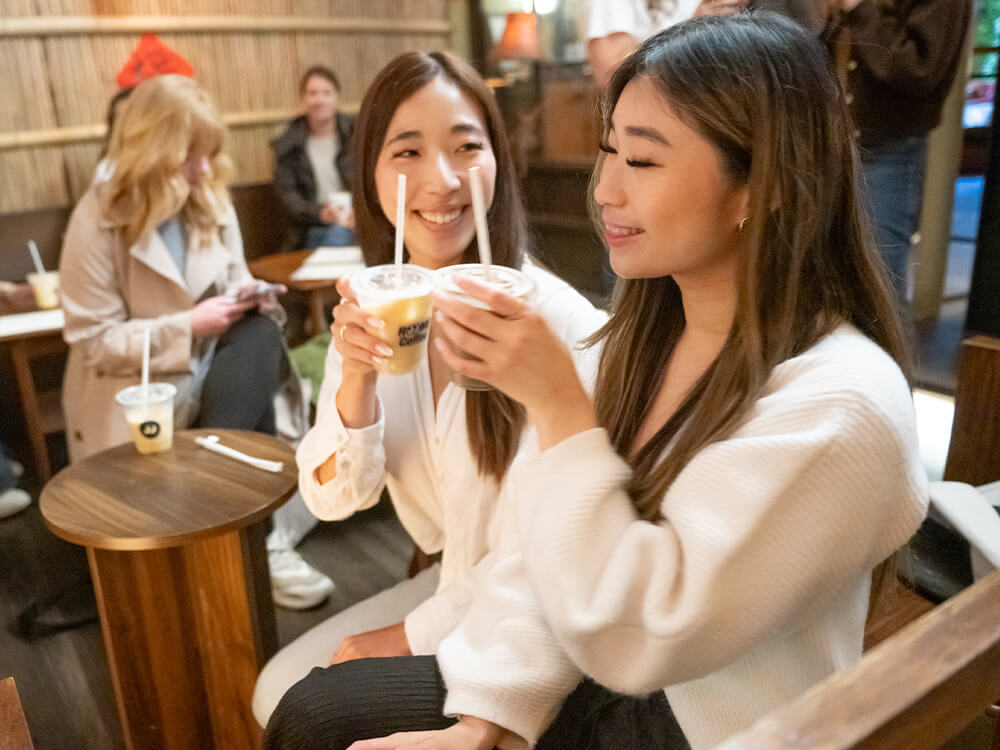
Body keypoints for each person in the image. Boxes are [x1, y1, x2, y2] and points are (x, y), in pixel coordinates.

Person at [264, 14, 929, 750]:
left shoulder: (843, 404)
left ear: (762, 186)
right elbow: (541, 554)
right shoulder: (640, 342)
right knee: (318, 713)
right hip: (588, 655)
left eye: (641, 163)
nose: (604, 190)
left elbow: (641, 631)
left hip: (700, 715)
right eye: (608, 150)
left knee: (317, 719)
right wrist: (486, 719)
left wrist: (558, 407)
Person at [251, 49, 607, 728]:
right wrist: (355, 380)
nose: (441, 181)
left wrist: (405, 636)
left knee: (307, 710)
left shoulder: (556, 323)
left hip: (544, 626)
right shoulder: (378, 304)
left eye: (466, 146)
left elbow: (539, 558)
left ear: (498, 162)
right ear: (374, 177)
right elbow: (332, 499)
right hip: (458, 589)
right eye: (407, 152)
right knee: (290, 701)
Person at [59, 74, 333, 610]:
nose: (204, 169)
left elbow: (228, 282)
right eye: (190, 154)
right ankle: (251, 540)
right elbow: (92, 340)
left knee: (258, 332)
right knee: (249, 409)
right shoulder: (96, 217)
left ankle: (225, 527)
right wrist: (188, 325)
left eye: (208, 153)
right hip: (139, 391)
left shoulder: (209, 199)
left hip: (211, 377)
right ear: (150, 150)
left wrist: (244, 295)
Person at [822, 0, 971, 300]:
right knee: (823, 284)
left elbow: (918, 70)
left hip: (885, 149)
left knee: (877, 290)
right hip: (826, 145)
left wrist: (858, 7)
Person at [272, 66, 357, 250]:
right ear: (303, 99)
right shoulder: (289, 145)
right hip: (313, 227)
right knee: (337, 235)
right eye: (313, 93)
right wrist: (319, 212)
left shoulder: (356, 135)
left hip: (357, 223)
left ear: (336, 98)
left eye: (326, 93)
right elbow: (288, 197)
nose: (319, 100)